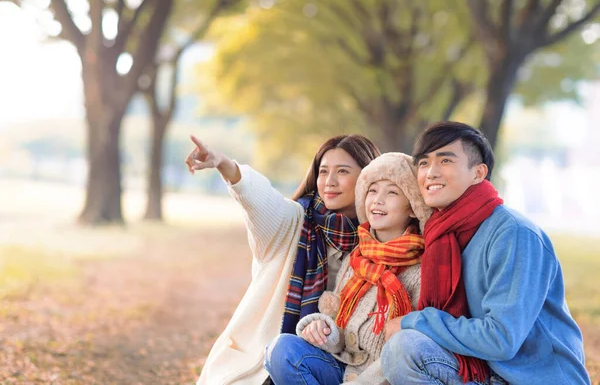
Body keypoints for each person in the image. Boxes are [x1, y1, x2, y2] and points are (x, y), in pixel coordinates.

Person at [381, 122, 590, 385]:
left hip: (534, 377)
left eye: (445, 160)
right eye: (423, 163)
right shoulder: (440, 233)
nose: (431, 173)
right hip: (485, 371)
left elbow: (501, 339)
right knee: (402, 349)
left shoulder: (514, 233)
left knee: (407, 346)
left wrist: (417, 321)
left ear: (479, 173)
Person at [186, 134, 381, 385]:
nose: (329, 182)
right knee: (285, 351)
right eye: (323, 172)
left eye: (342, 171)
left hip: (343, 366)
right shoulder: (293, 223)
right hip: (271, 362)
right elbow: (259, 201)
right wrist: (224, 164)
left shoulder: (382, 238)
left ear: (367, 177)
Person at [265, 152, 433, 384]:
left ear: (413, 207)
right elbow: (339, 330)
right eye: (372, 191)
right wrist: (322, 328)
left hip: (380, 378)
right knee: (282, 349)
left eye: (392, 192)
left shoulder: (421, 269)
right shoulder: (357, 255)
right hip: (340, 366)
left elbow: (406, 353)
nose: (378, 200)